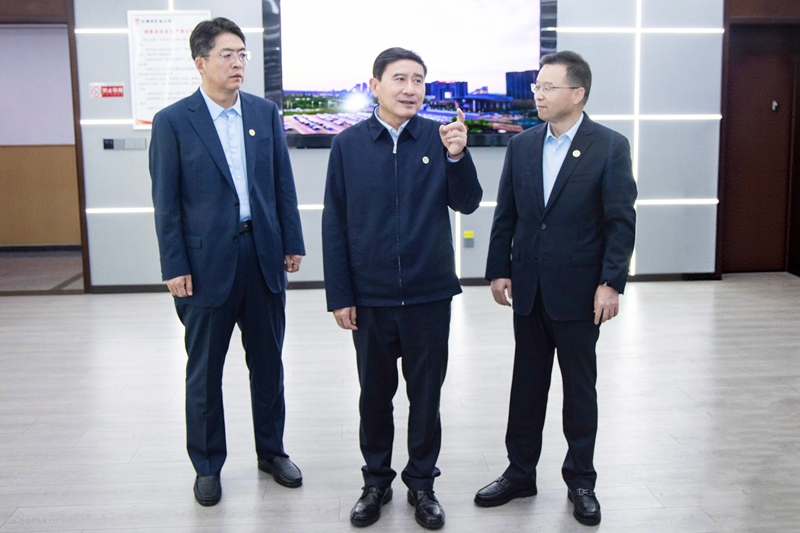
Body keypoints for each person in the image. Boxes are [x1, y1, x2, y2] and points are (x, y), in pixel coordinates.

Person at [322, 47, 482, 529]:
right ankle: (375, 482)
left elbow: (468, 202)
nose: (411, 89)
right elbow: (335, 223)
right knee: (374, 396)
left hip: (428, 293)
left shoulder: (439, 137)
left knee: (426, 397)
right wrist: (341, 295)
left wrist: (458, 156)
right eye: (400, 79)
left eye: (418, 80)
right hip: (370, 296)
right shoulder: (348, 145)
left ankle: (422, 484)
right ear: (375, 85)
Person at [475, 51, 637, 526]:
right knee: (526, 387)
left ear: (578, 93)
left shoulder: (609, 146)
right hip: (527, 288)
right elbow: (507, 213)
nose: (538, 95)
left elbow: (619, 221)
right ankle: (519, 473)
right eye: (537, 87)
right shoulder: (522, 145)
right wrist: (498, 269)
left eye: (548, 87)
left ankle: (581, 480)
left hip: (580, 292)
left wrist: (610, 282)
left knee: (579, 390)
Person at [149, 17, 305, 507]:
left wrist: (292, 240)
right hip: (204, 265)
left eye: (243, 54)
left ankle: (272, 452)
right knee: (204, 372)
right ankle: (207, 465)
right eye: (227, 54)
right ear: (201, 62)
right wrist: (174, 264)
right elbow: (166, 202)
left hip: (262, 255)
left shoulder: (264, 113)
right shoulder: (173, 121)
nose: (238, 63)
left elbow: (281, 183)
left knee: (268, 364)